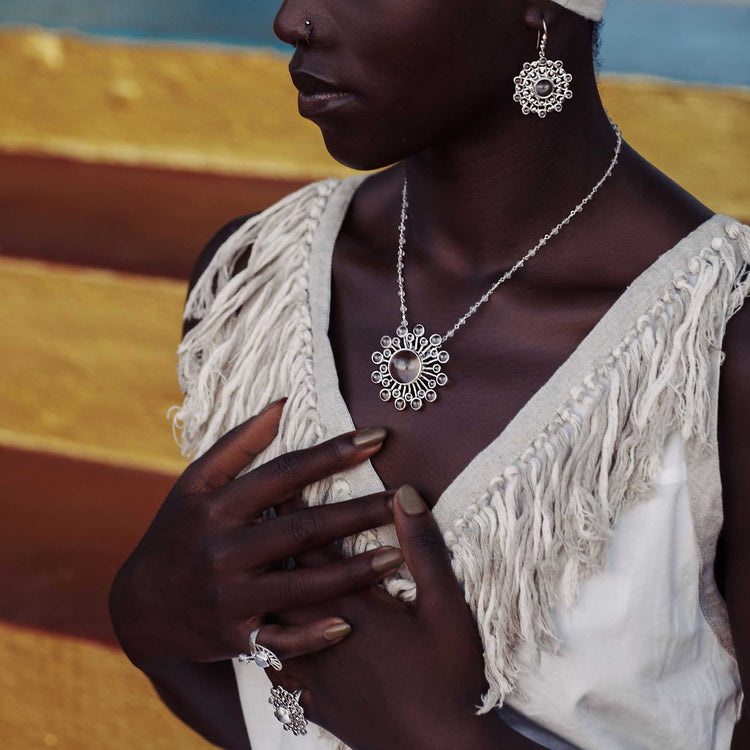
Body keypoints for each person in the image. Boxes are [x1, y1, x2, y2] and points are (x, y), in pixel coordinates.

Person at [108, 0, 750, 748]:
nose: (291, 20)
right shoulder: (256, 271)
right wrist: (147, 627)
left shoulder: (720, 341)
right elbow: (264, 714)